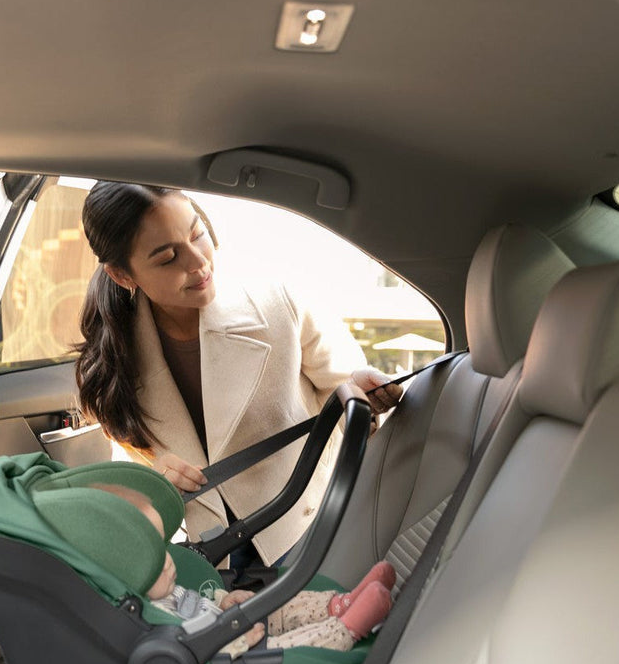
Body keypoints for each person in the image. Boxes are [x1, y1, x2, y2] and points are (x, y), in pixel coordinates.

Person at [75, 181, 403, 571]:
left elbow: (347, 396)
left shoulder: (277, 302)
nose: (198, 263)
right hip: (211, 558)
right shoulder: (114, 358)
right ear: (122, 275)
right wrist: (156, 482)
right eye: (167, 258)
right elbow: (132, 467)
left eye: (197, 234)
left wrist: (366, 396)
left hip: (309, 532)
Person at [96, 484, 394, 655]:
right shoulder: (148, 622)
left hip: (232, 622)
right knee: (288, 647)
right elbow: (189, 652)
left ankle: (339, 604)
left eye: (164, 547)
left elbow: (197, 604)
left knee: (279, 604)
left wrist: (222, 600)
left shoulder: (164, 591)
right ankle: (346, 628)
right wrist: (237, 642)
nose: (169, 561)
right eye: (153, 558)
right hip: (238, 654)